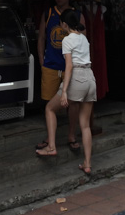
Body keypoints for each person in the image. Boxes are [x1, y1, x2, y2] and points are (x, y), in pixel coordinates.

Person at [36, 9, 97, 175]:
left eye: (61, 24)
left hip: (76, 77)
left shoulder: (67, 39)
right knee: (84, 125)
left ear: (64, 24)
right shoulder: (84, 38)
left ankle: (51, 147)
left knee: (50, 109)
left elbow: (69, 66)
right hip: (90, 78)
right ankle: (87, 163)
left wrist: (64, 92)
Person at [35, 0, 84, 151]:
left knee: (73, 103)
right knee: (49, 103)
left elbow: (83, 41)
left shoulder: (77, 15)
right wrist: (42, 60)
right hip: (50, 65)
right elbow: (41, 37)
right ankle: (50, 138)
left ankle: (71, 135)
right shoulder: (48, 13)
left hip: (70, 68)